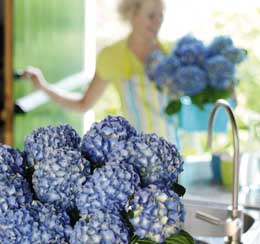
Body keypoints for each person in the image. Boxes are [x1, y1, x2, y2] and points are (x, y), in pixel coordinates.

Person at [22, 0, 180, 145]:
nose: (157, 22)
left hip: (175, 151)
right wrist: (44, 87)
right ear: (132, 14)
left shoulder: (173, 52)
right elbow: (83, 105)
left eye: (161, 16)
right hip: (137, 153)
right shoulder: (112, 56)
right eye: (151, 16)